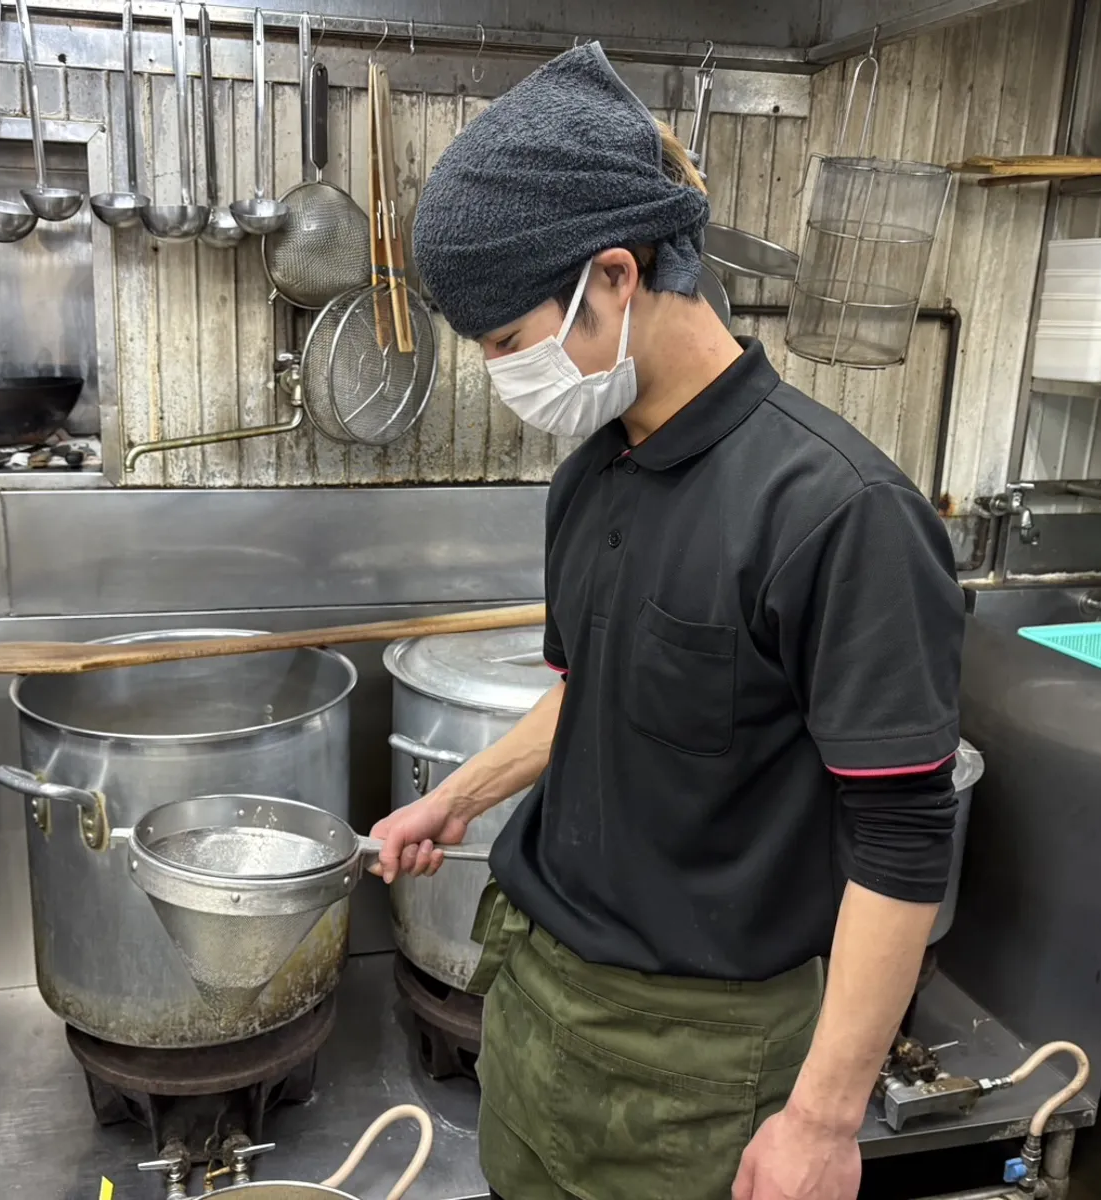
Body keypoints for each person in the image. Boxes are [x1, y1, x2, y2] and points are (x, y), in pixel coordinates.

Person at [371, 42, 966, 1200]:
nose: (503, 375)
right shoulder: (589, 477)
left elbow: (902, 838)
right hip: (538, 1006)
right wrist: (454, 798)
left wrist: (824, 1120)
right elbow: (592, 696)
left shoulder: (838, 512)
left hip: (701, 1064)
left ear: (612, 276)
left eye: (504, 343)